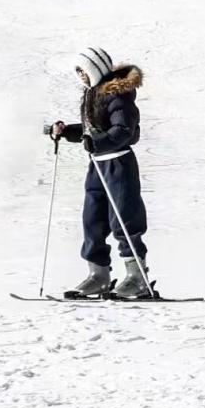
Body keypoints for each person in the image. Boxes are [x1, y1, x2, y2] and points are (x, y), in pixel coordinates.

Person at [49, 47, 152, 299]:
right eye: (78, 72)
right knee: (92, 219)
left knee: (124, 220)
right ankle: (98, 275)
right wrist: (66, 132)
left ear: (96, 68)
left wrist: (95, 142)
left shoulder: (119, 95)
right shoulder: (92, 93)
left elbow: (124, 130)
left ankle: (137, 277)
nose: (81, 76)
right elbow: (92, 132)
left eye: (84, 70)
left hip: (119, 164)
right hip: (97, 165)